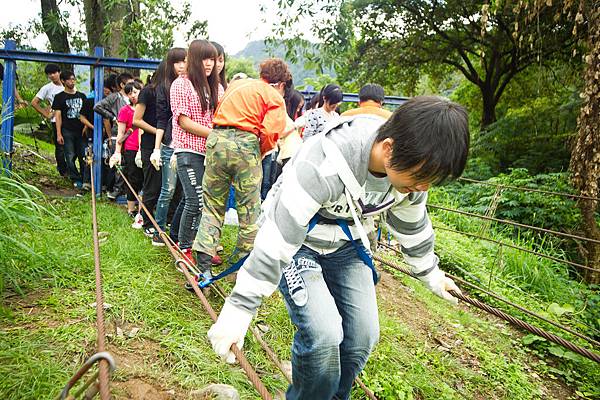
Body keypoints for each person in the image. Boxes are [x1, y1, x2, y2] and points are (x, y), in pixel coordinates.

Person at [207, 96, 470, 400]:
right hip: (299, 243)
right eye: (422, 177)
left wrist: (432, 275)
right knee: (323, 334)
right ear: (388, 149)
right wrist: (238, 311)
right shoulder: (325, 162)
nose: (424, 188)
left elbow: (412, 226)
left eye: (432, 181)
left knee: (363, 336)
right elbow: (279, 237)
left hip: (348, 244)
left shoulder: (410, 182)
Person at [191, 58, 290, 278]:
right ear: (281, 83)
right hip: (246, 144)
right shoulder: (274, 96)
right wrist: (259, 152)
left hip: (217, 139)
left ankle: (203, 267)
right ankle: (240, 268)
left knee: (212, 206)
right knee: (249, 210)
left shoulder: (236, 86)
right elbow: (270, 132)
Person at [170, 40, 222, 263]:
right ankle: (185, 249)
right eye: (204, 58)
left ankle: (185, 240)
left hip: (209, 152)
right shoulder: (181, 85)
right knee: (196, 200)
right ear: (193, 60)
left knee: (192, 199)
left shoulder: (216, 87)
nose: (209, 63)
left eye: (213, 58)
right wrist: (215, 135)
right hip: (187, 150)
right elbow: (183, 121)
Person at [151, 47, 187, 247]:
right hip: (170, 144)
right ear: (170, 64)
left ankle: (177, 230)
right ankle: (159, 230)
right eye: (177, 62)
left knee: (184, 192)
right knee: (168, 189)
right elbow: (161, 119)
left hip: (187, 146)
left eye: (185, 61)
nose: (182, 66)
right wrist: (157, 148)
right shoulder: (164, 87)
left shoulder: (191, 85)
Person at [133, 63, 164, 238]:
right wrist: (158, 131)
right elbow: (136, 120)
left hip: (166, 143)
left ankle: (160, 219)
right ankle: (146, 220)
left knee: (165, 186)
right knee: (152, 184)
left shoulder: (170, 91)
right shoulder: (148, 92)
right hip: (149, 144)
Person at [94, 72, 134, 199]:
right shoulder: (115, 97)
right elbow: (98, 106)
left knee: (130, 163)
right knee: (119, 162)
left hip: (132, 133)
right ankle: (117, 189)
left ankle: (127, 190)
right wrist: (113, 117)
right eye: (129, 83)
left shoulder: (134, 97)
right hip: (119, 133)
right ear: (122, 85)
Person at [108, 82, 144, 218]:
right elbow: (121, 133)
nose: (133, 95)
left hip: (144, 148)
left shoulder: (146, 109)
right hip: (131, 148)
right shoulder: (125, 110)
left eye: (135, 92)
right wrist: (117, 151)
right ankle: (131, 209)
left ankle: (143, 209)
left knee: (145, 179)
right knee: (133, 178)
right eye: (130, 93)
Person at [51, 71, 87, 189]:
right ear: (63, 81)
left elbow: (87, 114)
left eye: (73, 79)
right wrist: (59, 133)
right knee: (69, 156)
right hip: (67, 130)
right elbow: (58, 116)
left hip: (81, 130)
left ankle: (85, 178)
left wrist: (86, 126)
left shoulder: (82, 96)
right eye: (69, 79)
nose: (72, 81)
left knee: (84, 155)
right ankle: (75, 178)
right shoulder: (59, 97)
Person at [31, 63, 67, 177]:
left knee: (72, 146)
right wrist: (46, 114)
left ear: (59, 72)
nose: (52, 76)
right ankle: (62, 170)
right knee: (60, 146)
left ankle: (70, 169)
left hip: (70, 120)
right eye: (49, 74)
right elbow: (34, 102)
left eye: (54, 73)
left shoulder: (67, 84)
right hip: (56, 120)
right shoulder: (47, 88)